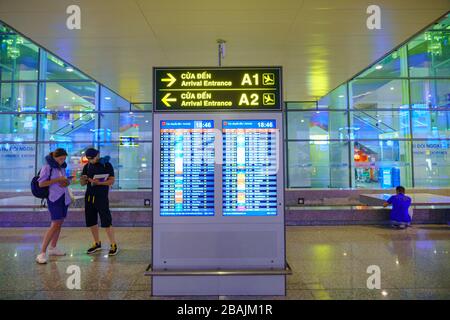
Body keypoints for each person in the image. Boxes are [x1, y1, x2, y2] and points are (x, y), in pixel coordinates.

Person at [36, 148, 72, 264]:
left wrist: (66, 181)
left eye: (64, 159)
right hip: (54, 198)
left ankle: (53, 248)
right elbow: (41, 183)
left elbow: (63, 181)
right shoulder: (47, 167)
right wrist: (58, 179)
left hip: (64, 198)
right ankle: (42, 252)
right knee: (55, 223)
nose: (62, 161)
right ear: (55, 157)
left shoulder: (62, 167)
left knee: (59, 223)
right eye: (60, 159)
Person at [80, 148, 118, 256]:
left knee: (106, 221)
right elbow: (82, 183)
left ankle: (113, 244)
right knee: (91, 221)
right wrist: (83, 179)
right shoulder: (87, 166)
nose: (90, 160)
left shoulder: (106, 165)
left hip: (101, 197)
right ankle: (97, 243)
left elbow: (111, 181)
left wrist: (99, 183)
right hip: (89, 197)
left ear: (98, 155)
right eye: (88, 159)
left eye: (92, 158)